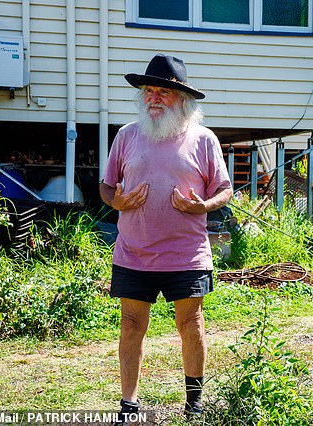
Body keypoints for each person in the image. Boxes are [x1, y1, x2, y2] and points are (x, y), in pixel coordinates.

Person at [99, 53, 233, 420]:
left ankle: (194, 401)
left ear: (182, 100)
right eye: (149, 90)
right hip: (134, 251)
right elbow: (107, 187)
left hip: (186, 253)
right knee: (131, 325)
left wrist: (203, 206)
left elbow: (224, 189)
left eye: (163, 92)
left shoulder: (204, 139)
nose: (153, 97)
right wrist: (117, 200)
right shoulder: (126, 135)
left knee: (191, 324)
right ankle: (129, 403)